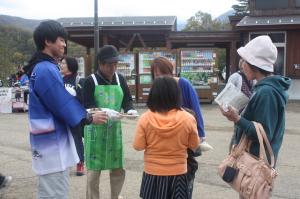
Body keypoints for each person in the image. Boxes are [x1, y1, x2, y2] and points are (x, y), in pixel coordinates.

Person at [23, 20, 108, 199]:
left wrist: (86, 114)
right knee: (55, 193)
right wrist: (88, 117)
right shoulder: (45, 69)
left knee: (51, 191)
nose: (64, 44)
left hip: (47, 139)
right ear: (48, 41)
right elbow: (61, 103)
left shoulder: (41, 67)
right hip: (51, 143)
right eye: (61, 40)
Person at [220, 35, 291, 197]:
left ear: (253, 65)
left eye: (244, 61)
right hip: (253, 162)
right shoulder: (265, 88)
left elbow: (264, 132)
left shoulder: (266, 92)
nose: (242, 65)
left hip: (255, 165)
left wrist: (236, 118)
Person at [150, 56, 212, 198]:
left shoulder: (183, 84)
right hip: (163, 142)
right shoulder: (156, 87)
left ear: (171, 73)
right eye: (157, 75)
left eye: (164, 74)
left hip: (184, 139)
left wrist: (201, 135)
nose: (161, 78)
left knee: (184, 179)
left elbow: (196, 109)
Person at [83, 45, 138, 199]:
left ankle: (116, 196)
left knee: (118, 169)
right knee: (94, 172)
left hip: (114, 131)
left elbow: (127, 99)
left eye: (115, 64)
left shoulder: (120, 79)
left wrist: (129, 110)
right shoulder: (90, 81)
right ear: (100, 63)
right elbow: (86, 105)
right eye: (109, 64)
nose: (113, 67)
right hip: (95, 131)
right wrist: (104, 111)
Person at [133, 76, 200, 199]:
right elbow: (194, 145)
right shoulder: (188, 118)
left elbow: (138, 146)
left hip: (152, 172)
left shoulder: (145, 118)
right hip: (179, 172)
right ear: (176, 94)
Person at [60, 56, 85, 176]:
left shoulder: (78, 80)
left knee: (77, 139)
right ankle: (63, 163)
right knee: (62, 139)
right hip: (61, 116)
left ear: (70, 65)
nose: (61, 65)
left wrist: (69, 100)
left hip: (74, 116)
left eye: (63, 63)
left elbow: (82, 99)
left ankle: (80, 163)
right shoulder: (59, 80)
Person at [227, 59, 255, 151]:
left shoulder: (252, 77)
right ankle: (232, 153)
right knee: (237, 132)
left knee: (244, 133)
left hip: (249, 109)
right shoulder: (235, 76)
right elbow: (227, 91)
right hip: (238, 110)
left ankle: (241, 151)